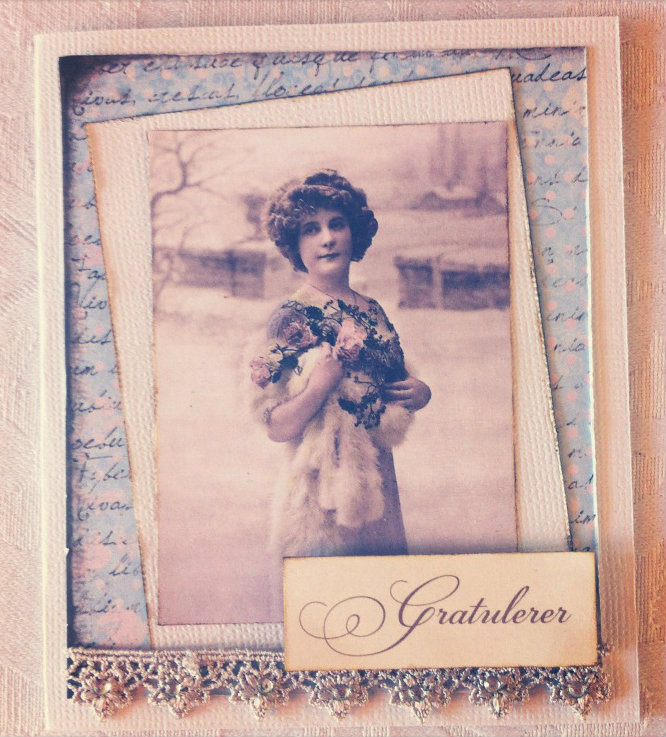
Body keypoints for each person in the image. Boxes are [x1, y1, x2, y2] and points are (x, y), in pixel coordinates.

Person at [250, 169, 431, 566]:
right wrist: (317, 388)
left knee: (384, 585)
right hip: (322, 488)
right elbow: (276, 426)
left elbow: (390, 383)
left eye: (336, 224)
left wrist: (419, 392)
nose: (327, 238)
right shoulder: (290, 318)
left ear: (354, 232)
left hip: (377, 478)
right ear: (294, 244)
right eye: (311, 229)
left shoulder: (373, 310)